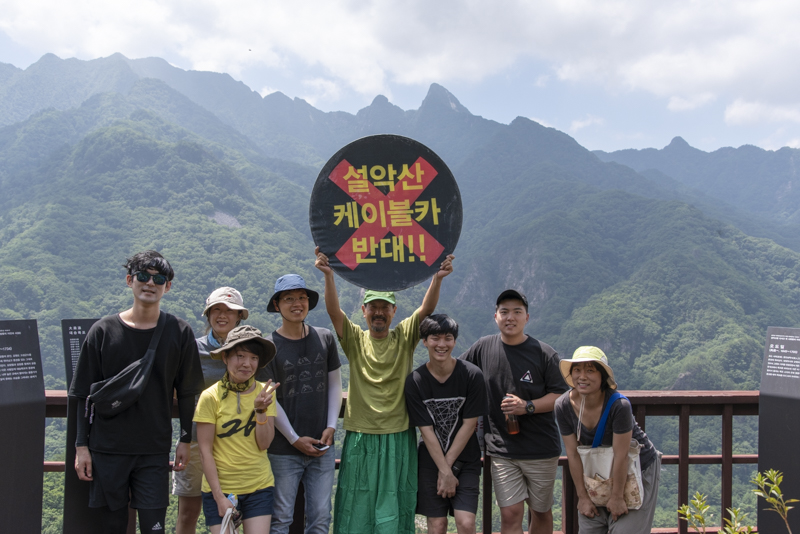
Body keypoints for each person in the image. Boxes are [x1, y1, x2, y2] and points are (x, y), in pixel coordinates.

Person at [314, 246, 455, 534]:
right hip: (360, 434)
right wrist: (329, 275)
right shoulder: (354, 338)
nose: (378, 313)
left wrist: (437, 278)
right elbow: (333, 311)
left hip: (397, 432)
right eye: (373, 307)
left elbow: (425, 311)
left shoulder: (404, 337)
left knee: (394, 504)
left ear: (393, 311)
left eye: (384, 308)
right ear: (364, 310)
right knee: (357, 505)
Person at [69, 250, 204, 534]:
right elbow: (81, 393)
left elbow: (190, 391)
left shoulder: (179, 332)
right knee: (111, 526)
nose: (150, 283)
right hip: (106, 449)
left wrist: (185, 439)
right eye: (142, 276)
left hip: (153, 450)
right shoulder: (103, 331)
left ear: (168, 286)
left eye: (159, 279)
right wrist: (81, 446)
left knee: (154, 527)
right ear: (129, 280)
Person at [460, 289, 568, 534]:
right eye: (504, 311)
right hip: (501, 448)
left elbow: (560, 395)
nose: (510, 317)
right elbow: (458, 373)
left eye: (517, 312)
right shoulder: (483, 347)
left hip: (540, 447)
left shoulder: (544, 353)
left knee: (540, 511)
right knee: (510, 514)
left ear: (526, 318)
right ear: (495, 316)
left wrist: (527, 407)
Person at [260, 274, 342, 534]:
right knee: (281, 518)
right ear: (277, 305)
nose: (297, 304)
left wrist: (331, 426)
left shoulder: (325, 337)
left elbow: (334, 384)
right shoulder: (269, 347)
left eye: (302, 298)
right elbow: (270, 398)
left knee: (320, 517)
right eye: (289, 299)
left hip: (322, 445)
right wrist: (295, 438)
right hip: (283, 449)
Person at [554, 346, 661, 534]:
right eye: (577, 370)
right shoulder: (563, 406)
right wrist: (583, 497)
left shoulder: (619, 406)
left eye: (590, 370)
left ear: (602, 376)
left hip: (634, 469)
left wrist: (618, 497)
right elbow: (572, 453)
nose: (582, 376)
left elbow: (622, 455)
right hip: (597, 475)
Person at [174, 287, 250, 534]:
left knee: (234, 514)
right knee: (188, 513)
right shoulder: (192, 350)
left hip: (236, 446)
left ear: (239, 316)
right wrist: (184, 438)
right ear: (208, 314)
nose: (222, 315)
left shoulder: (249, 351)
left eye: (229, 310)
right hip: (196, 442)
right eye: (216, 309)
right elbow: (178, 390)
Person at [404, 314, 487, 534]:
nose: (442, 344)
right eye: (435, 338)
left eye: (448, 338)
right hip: (430, 462)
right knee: (437, 525)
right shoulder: (415, 381)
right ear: (424, 341)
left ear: (455, 341)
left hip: (467, 460)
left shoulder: (472, 376)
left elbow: (469, 425)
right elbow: (426, 430)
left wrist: (447, 470)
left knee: (466, 523)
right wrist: (443, 470)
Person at [195, 325, 279, 534]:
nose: (246, 364)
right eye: (239, 356)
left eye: (253, 358)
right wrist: (219, 497)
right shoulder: (210, 396)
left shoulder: (266, 393)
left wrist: (260, 410)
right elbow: (205, 451)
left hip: (258, 486)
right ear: (225, 358)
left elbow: (264, 444)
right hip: (220, 488)